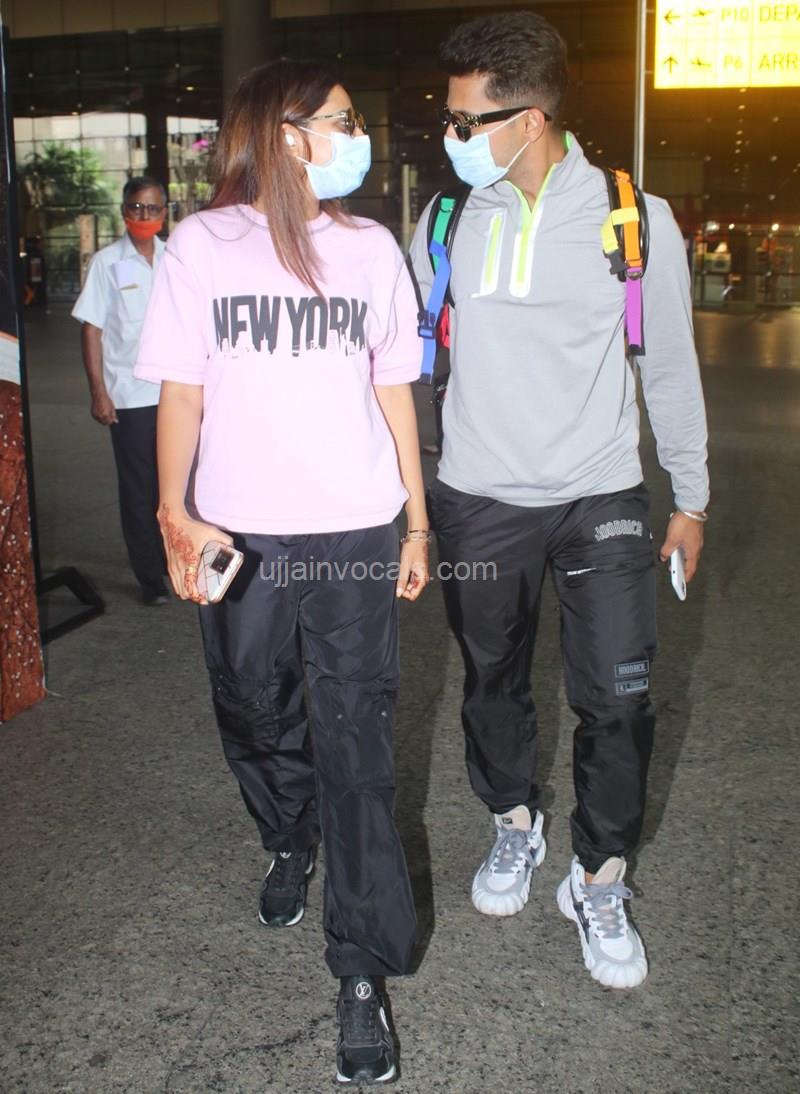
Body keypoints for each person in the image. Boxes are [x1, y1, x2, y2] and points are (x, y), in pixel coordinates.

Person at [134, 61, 427, 1085]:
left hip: (353, 528)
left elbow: (393, 389)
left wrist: (416, 521)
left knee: (358, 739)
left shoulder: (370, 248)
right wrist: (175, 513)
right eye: (343, 120)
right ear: (287, 134)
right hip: (241, 533)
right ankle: (286, 831)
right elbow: (180, 390)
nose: (358, 135)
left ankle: (360, 966)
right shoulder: (201, 245)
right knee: (253, 708)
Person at [409, 12, 709, 990]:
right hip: (479, 495)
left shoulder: (633, 217)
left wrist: (691, 498)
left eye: (467, 120)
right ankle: (513, 820)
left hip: (599, 493)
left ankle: (599, 874)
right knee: (490, 681)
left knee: (618, 696)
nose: (451, 135)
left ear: (529, 119)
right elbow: (400, 359)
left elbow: (668, 365)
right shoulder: (446, 220)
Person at [72, 177, 170, 605]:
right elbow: (92, 329)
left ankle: (176, 560)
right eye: (136, 207)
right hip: (130, 398)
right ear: (124, 211)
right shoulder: (107, 262)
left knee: (177, 485)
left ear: (165, 212)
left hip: (176, 394)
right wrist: (99, 391)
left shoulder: (175, 260)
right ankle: (151, 577)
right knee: (139, 489)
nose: (144, 215)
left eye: (152, 208)